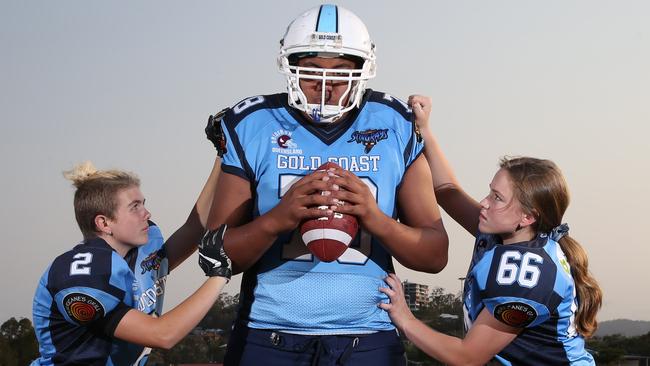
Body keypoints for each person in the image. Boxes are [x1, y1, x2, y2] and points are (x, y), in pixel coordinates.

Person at [205, 4, 449, 366]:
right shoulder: (254, 123)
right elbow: (214, 255)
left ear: (363, 69)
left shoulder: (394, 123)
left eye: (340, 72)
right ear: (289, 67)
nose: (326, 85)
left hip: (369, 336)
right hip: (268, 335)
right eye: (312, 71)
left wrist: (375, 218)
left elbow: (435, 255)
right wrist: (279, 218)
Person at [378, 95, 603, 365]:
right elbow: (447, 191)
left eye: (497, 198)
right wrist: (424, 129)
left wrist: (405, 319)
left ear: (528, 216)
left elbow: (467, 357)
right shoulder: (509, 233)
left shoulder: (525, 272)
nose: (484, 203)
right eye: (490, 192)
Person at [31, 128, 232, 365]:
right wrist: (219, 275)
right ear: (104, 223)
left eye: (143, 204)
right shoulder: (82, 274)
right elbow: (162, 335)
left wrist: (223, 154)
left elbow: (194, 228)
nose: (146, 213)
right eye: (134, 206)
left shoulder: (141, 250)